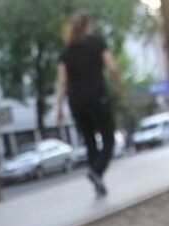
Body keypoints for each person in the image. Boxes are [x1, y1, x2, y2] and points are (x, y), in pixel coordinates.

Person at [55, 12, 122, 197]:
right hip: (97, 98)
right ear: (88, 25)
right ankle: (97, 171)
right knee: (109, 138)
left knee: (90, 141)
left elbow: (62, 82)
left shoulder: (65, 52)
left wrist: (59, 108)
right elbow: (112, 67)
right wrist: (119, 86)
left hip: (76, 102)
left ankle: (98, 182)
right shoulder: (96, 43)